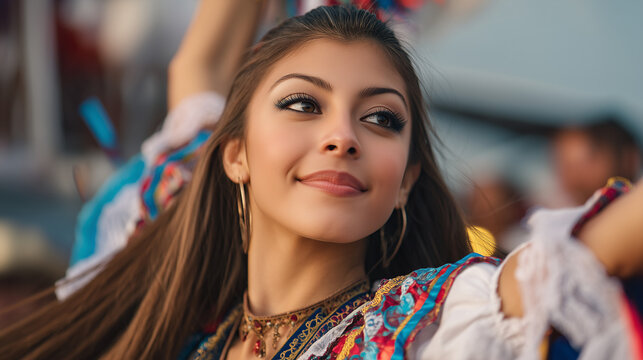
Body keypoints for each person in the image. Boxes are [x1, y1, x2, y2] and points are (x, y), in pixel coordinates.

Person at [1, 5, 642, 360]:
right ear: (235, 156)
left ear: (406, 181)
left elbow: (591, 251)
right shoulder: (170, 313)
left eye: (382, 118)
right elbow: (195, 70)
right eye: (304, 104)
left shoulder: (431, 328)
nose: (343, 136)